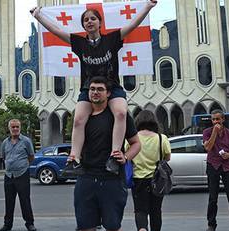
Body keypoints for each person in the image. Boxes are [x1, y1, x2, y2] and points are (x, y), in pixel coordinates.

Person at [31, 0, 156, 175]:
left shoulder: (112, 39)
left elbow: (133, 24)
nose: (89, 22)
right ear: (83, 25)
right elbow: (56, 31)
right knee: (78, 120)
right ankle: (74, 159)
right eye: (86, 20)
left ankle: (114, 156)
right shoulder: (79, 43)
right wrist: (38, 16)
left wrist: (148, 7)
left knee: (120, 113)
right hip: (89, 89)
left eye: (93, 19)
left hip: (112, 87)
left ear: (100, 23)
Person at [64, 76, 140, 231]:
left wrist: (126, 157)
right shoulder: (82, 117)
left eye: (99, 89)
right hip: (86, 177)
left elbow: (136, 143)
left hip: (112, 178)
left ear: (108, 93)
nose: (95, 92)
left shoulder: (118, 116)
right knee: (85, 224)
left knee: (112, 224)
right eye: (92, 89)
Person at [126, 110, 171, 231]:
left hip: (138, 179)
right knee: (156, 210)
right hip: (157, 179)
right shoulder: (161, 138)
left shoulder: (132, 139)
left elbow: (127, 156)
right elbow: (167, 157)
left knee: (140, 210)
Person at [0, 119, 37, 231]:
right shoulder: (5, 142)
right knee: (9, 201)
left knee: (25, 200)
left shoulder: (26, 141)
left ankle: (30, 223)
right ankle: (7, 224)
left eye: (17, 127)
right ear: (9, 128)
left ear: (20, 128)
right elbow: (4, 157)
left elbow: (31, 156)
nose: (15, 129)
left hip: (22, 174)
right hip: (9, 175)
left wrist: (22, 166)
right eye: (13, 127)